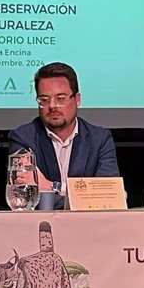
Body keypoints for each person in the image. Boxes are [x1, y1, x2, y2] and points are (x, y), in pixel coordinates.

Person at [8, 61, 120, 209]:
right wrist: (85, 200)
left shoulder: (99, 139)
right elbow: (26, 199)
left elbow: (108, 196)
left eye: (60, 98)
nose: (52, 106)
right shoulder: (23, 139)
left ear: (77, 99)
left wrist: (51, 187)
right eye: (44, 100)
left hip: (90, 227)